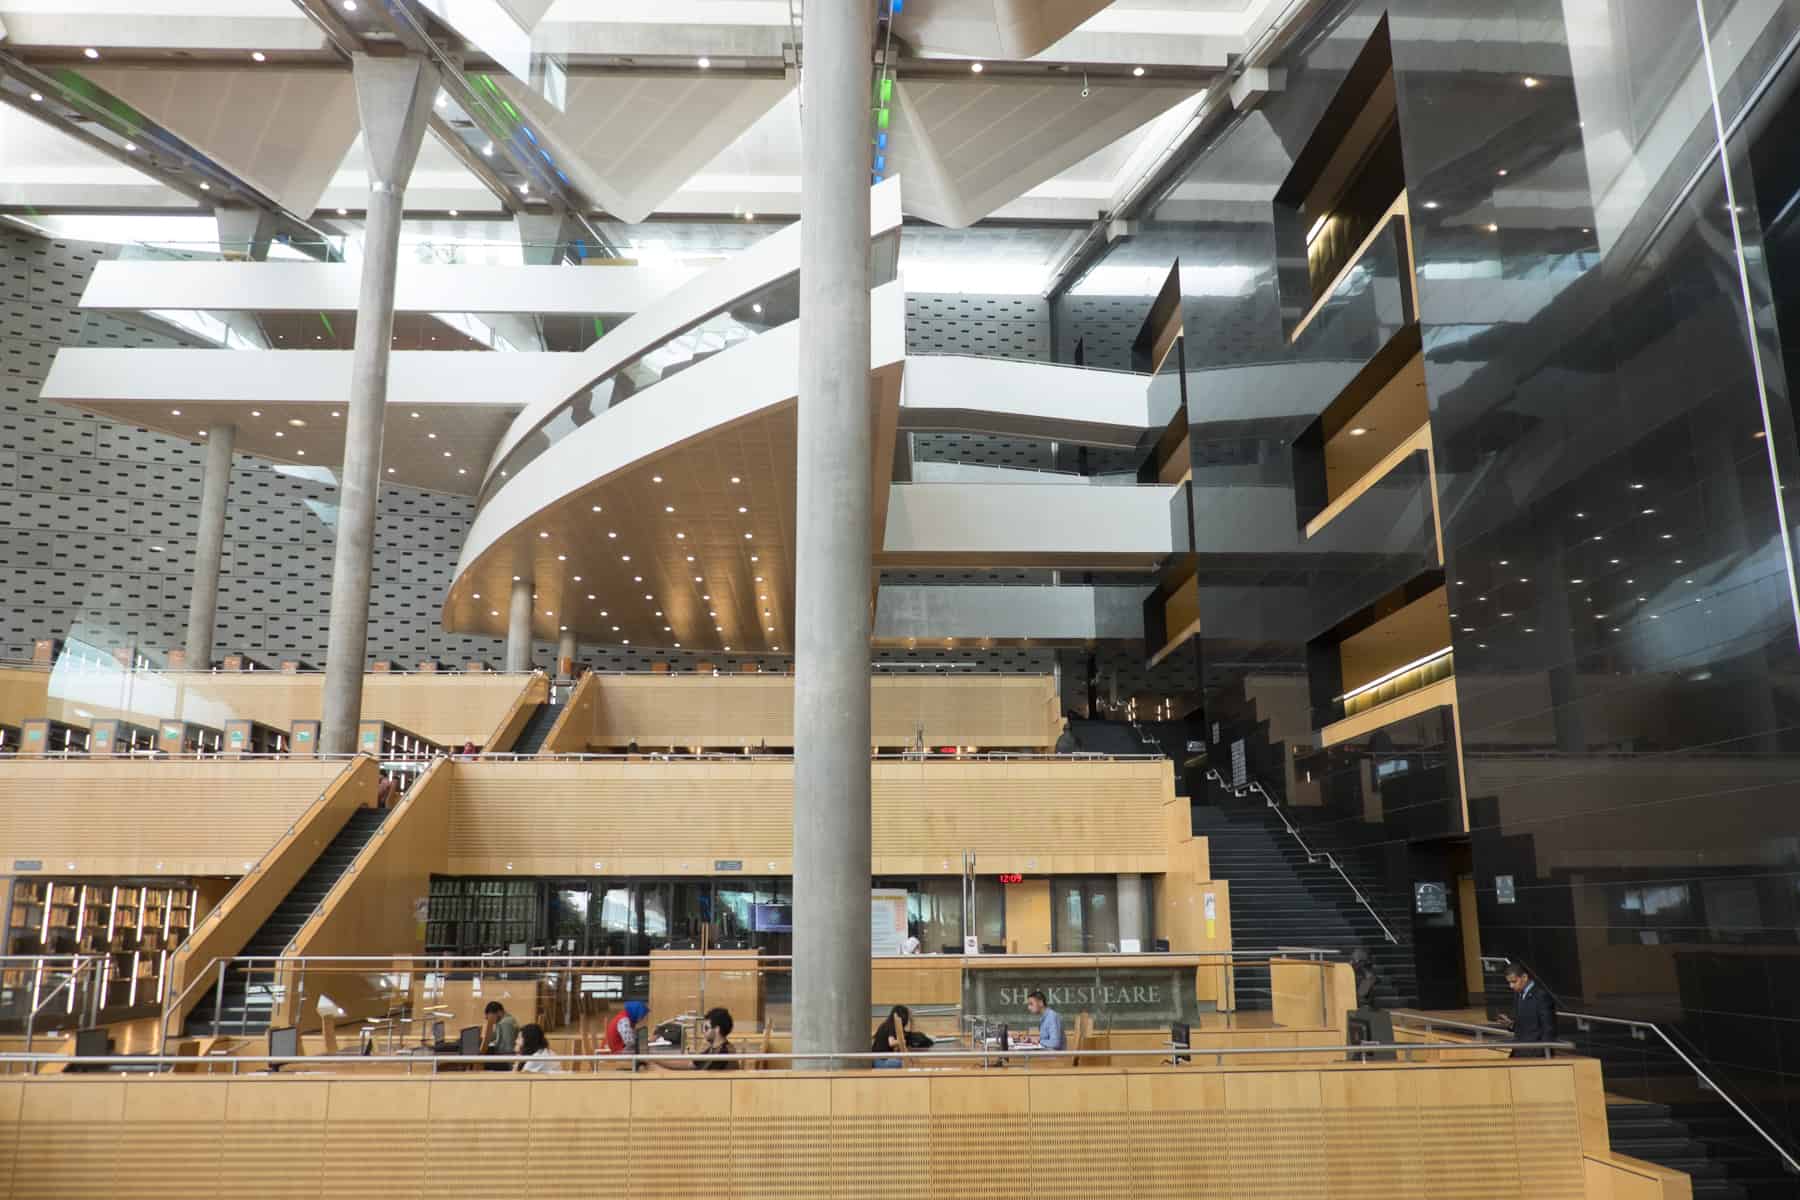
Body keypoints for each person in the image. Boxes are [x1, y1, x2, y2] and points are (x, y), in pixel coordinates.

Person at [1502, 961, 1556, 1058]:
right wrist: (1511, 1025)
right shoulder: (1518, 995)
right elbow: (1525, 1025)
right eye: (1509, 982)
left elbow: (1548, 1029)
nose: (1511, 986)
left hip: (1535, 1054)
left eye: (1514, 981)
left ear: (1524, 977)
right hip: (1519, 1051)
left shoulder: (1541, 996)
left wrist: (1542, 1054)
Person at [481, 1000, 518, 1071]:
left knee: (481, 1062)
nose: (488, 1018)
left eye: (490, 1015)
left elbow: (508, 1049)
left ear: (499, 1012)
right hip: (505, 1056)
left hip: (507, 1060)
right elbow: (494, 1036)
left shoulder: (505, 1023)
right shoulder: (503, 1021)